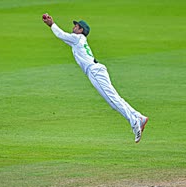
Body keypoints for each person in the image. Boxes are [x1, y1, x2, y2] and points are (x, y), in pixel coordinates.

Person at [42, 14, 148, 143]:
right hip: (97, 70)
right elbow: (65, 39)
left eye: (76, 26)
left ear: (81, 30)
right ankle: (138, 116)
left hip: (95, 71)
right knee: (115, 98)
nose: (73, 27)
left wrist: (51, 24)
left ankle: (134, 123)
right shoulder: (78, 40)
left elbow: (61, 35)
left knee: (113, 101)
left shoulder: (78, 38)